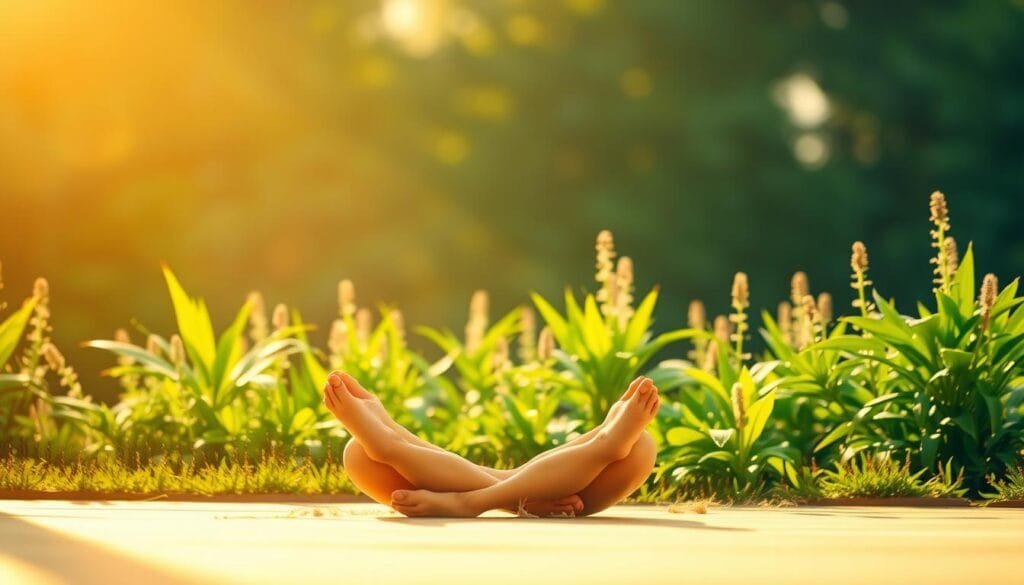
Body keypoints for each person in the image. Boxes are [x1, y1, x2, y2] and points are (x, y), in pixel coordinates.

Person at [323, 371, 659, 518]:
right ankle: (601, 445)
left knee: (639, 448)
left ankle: (396, 445)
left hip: (577, 489)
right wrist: (525, 502)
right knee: (359, 454)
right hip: (570, 485)